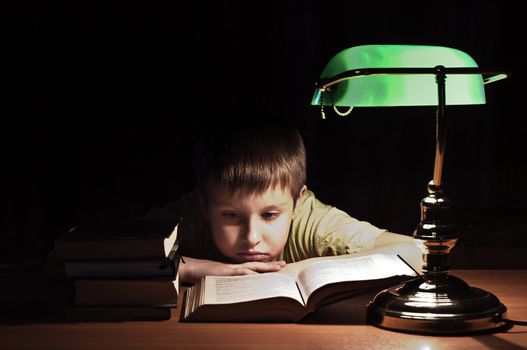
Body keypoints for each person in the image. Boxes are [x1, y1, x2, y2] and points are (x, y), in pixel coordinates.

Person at [147, 124, 419, 283]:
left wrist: (298, 270)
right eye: (231, 215)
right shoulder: (188, 217)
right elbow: (111, 251)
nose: (252, 237)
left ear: (297, 202)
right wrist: (192, 267)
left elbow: (417, 253)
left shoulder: (314, 224)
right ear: (204, 204)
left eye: (270, 215)